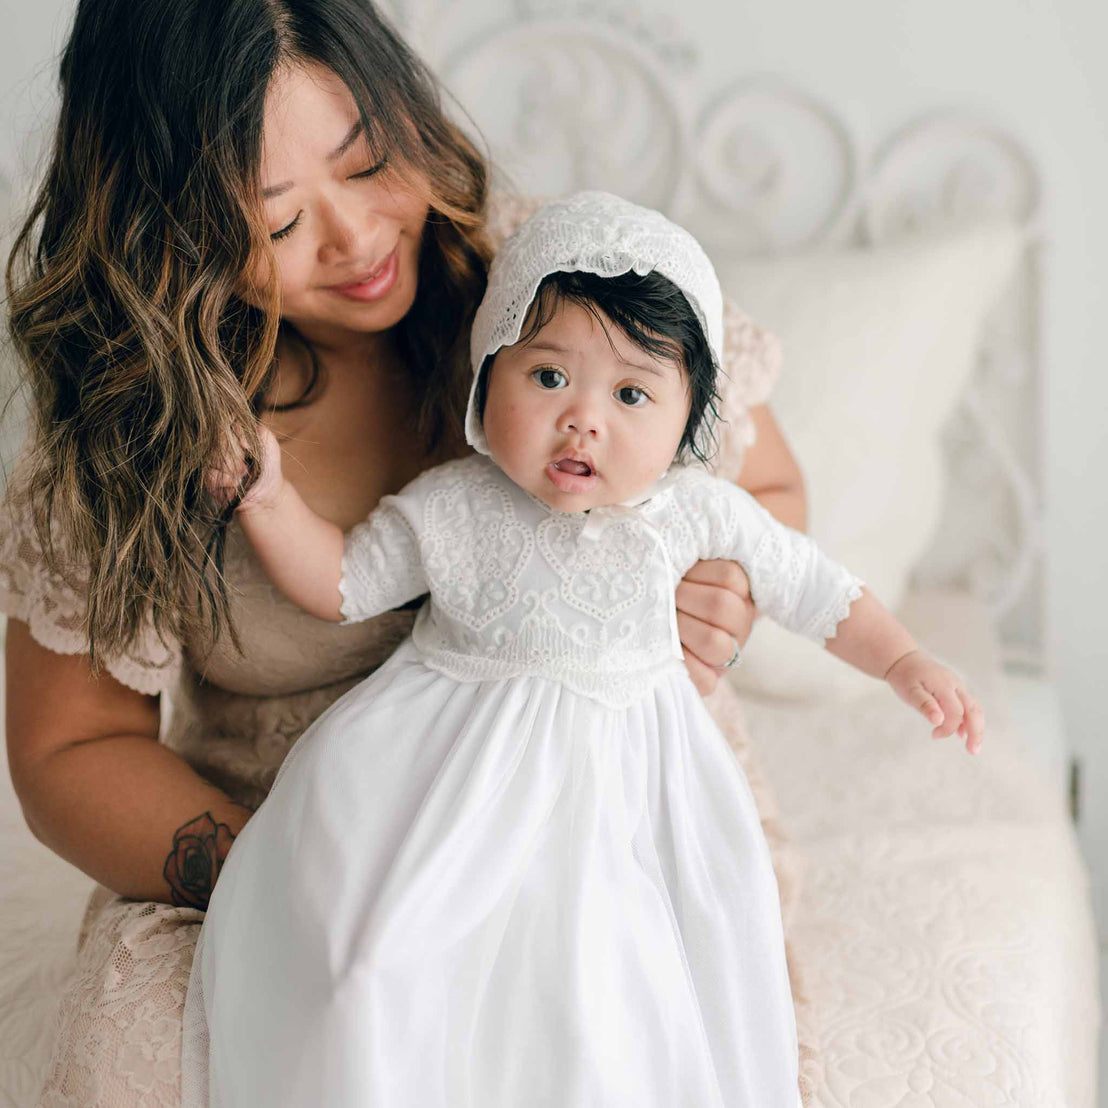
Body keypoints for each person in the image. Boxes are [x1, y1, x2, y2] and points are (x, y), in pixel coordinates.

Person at [0, 1, 832, 1104]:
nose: (354, 240)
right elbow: (71, 746)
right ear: (170, 233)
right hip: (282, 834)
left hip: (593, 805)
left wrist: (714, 587)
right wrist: (284, 881)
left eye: (371, 162)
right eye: (280, 221)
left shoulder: (564, 287)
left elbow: (766, 490)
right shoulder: (142, 420)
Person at [185, 191, 984, 1107]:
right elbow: (337, 582)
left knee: (610, 982)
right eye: (549, 377)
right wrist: (268, 501)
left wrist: (905, 660)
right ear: (490, 376)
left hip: (623, 785)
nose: (583, 420)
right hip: (449, 780)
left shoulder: (696, 511)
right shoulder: (455, 506)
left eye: (633, 393)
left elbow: (817, 589)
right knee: (381, 957)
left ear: (689, 423)